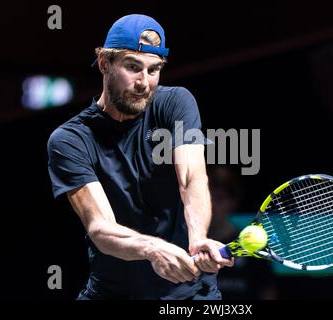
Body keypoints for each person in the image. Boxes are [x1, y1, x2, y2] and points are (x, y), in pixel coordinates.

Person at [47, 14, 233, 300]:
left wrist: (197, 239)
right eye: (133, 68)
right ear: (104, 64)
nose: (144, 82)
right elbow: (100, 228)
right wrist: (153, 249)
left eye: (153, 70)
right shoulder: (70, 140)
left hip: (191, 295)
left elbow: (191, 177)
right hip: (110, 294)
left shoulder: (175, 103)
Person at [207, 165, 278, 300]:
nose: (212, 205)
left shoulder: (253, 245)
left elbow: (267, 290)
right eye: (208, 198)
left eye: (219, 198)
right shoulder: (186, 242)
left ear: (233, 202)